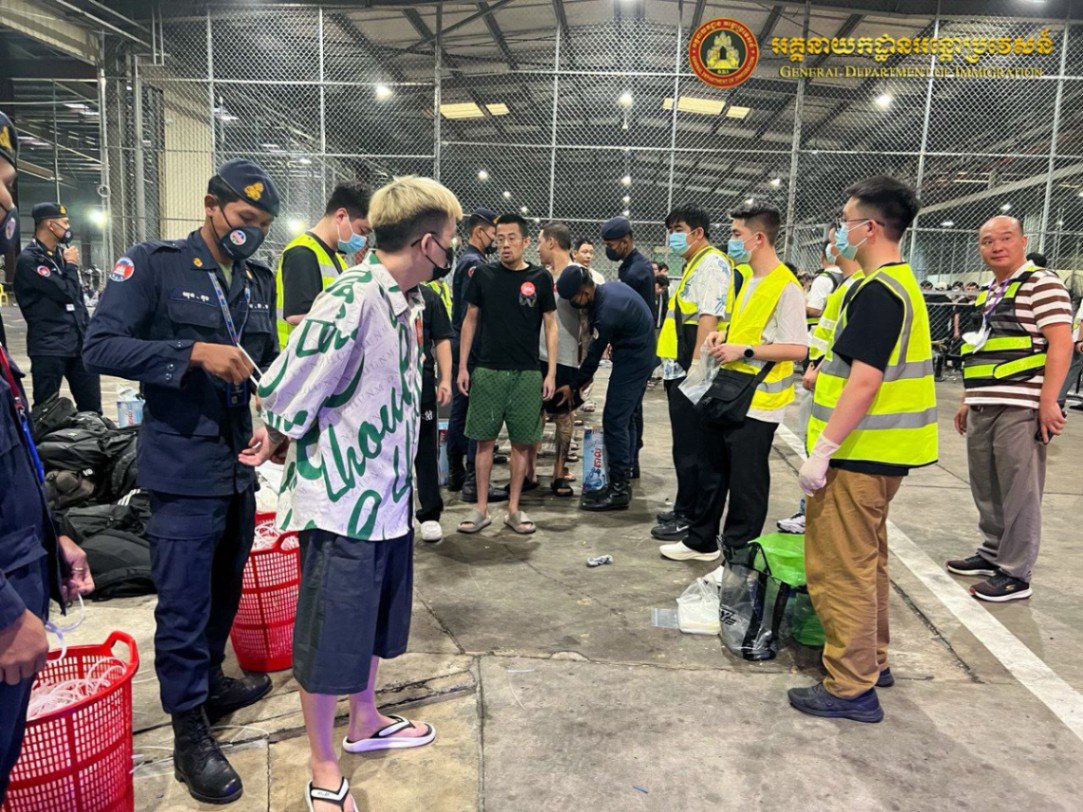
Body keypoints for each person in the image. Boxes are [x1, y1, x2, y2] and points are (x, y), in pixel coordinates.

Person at [244, 176, 460, 812]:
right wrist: (277, 434)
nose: (450, 253)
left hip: (387, 500)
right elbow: (290, 380)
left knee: (370, 622)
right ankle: (322, 762)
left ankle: (364, 720)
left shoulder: (406, 301)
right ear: (426, 243)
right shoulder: (352, 296)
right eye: (448, 241)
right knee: (328, 635)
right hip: (342, 504)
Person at [83, 158, 281, 803]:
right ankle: (188, 729)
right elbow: (100, 346)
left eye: (263, 224)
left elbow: (268, 365)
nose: (252, 232)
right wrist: (191, 352)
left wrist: (277, 426)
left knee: (225, 584)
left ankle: (212, 683)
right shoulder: (155, 264)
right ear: (211, 206)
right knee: (184, 600)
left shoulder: (258, 280)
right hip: (180, 466)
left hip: (237, 466)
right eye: (245, 218)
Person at [790, 175, 936, 723]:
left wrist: (824, 449)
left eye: (846, 221)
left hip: (857, 454)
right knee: (867, 562)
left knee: (840, 569)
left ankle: (851, 687)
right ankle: (871, 659)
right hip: (880, 453)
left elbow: (865, 380)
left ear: (869, 228)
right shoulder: (899, 283)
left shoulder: (878, 291)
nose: (840, 231)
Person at [0, 110, 95, 807]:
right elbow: (51, 299)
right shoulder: (34, 261)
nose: (5, 202)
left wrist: (51, 529)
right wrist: (6, 614)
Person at [660, 203, 806, 562]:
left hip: (759, 401)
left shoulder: (785, 287)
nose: (731, 241)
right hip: (729, 391)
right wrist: (723, 337)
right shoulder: (749, 280)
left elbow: (797, 348)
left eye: (737, 234)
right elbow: (746, 329)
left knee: (745, 485)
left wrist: (745, 350)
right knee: (712, 470)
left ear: (759, 238)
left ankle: (737, 562)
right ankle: (701, 541)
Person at [947, 216, 1073, 602]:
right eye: (987, 241)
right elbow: (980, 348)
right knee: (986, 483)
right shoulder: (990, 290)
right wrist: (968, 398)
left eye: (1005, 238)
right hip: (985, 402)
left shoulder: (1042, 283)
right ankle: (992, 552)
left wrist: (1048, 400)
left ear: (1023, 241)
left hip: (1022, 405)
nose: (996, 246)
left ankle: (1016, 573)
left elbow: (1061, 344)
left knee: (1019, 490)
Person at [457, 213, 557, 536]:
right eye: (499, 239)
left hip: (527, 372)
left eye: (512, 238)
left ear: (526, 241)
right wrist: (463, 366)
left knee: (521, 443)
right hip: (487, 371)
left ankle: (514, 508)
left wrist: (551, 372)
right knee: (483, 441)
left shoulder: (540, 278)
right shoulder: (482, 275)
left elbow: (551, 326)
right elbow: (470, 320)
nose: (505, 245)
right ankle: (481, 508)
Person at [652, 205, 733, 542]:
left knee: (693, 449)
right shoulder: (694, 264)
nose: (672, 236)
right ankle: (685, 506)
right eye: (670, 229)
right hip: (679, 368)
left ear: (697, 232)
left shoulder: (712, 264)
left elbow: (709, 318)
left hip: (693, 373)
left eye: (678, 229)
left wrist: (698, 373)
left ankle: (692, 516)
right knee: (684, 447)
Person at [778, 226, 863, 535]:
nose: (832, 245)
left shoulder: (845, 283)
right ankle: (811, 511)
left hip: (827, 379)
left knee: (818, 450)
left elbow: (843, 339)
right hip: (823, 375)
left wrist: (817, 367)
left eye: (835, 238)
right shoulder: (846, 284)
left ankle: (811, 512)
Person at [555, 265, 655, 510]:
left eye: (575, 299)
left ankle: (618, 489)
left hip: (634, 360)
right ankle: (627, 469)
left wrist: (574, 386)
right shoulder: (607, 292)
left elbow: (593, 357)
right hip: (637, 353)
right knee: (628, 416)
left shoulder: (607, 310)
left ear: (586, 291)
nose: (575, 305)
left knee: (614, 420)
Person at [446, 208, 508, 505]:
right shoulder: (475, 264)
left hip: (462, 344)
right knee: (478, 412)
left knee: (461, 410)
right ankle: (473, 481)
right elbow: (475, 311)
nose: (497, 240)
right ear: (480, 231)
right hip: (473, 346)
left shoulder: (467, 260)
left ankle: (457, 474)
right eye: (494, 233)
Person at [14, 202, 100, 412]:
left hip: (78, 343)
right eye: (65, 222)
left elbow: (77, 300)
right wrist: (71, 265)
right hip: (49, 345)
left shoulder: (61, 255)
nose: (68, 227)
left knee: (92, 408)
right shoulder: (30, 260)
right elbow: (65, 293)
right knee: (46, 409)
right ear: (51, 225)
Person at [526, 222, 583, 498]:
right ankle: (530, 472)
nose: (537, 248)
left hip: (566, 359)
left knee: (563, 417)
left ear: (551, 242)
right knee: (533, 414)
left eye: (539, 242)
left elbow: (588, 321)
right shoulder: (540, 277)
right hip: (536, 356)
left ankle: (559, 474)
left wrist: (584, 366)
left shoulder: (579, 275)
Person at [276, 182, 371, 346]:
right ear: (341, 216)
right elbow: (297, 316)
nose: (363, 240)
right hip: (299, 355)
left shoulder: (337, 260)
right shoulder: (302, 253)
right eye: (362, 231)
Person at [601, 216, 654, 474]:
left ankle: (628, 464)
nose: (608, 250)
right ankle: (632, 462)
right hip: (634, 346)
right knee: (632, 409)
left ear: (625, 241)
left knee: (624, 412)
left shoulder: (636, 271)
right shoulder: (631, 265)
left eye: (611, 245)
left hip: (636, 350)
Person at [416, 282, 454, 542]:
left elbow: (441, 339)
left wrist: (445, 379)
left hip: (422, 386)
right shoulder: (376, 292)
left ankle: (429, 513)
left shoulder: (428, 297)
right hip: (382, 390)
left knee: (426, 450)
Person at [804, 237, 843, 331]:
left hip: (818, 331)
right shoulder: (845, 275)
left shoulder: (823, 279)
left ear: (821, 255)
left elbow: (814, 310)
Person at [1058, 297, 1083, 406]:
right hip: (1076, 338)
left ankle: (1058, 400)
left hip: (1076, 339)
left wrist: (1080, 340)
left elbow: (1081, 320)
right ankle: (1058, 399)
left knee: (1070, 369)